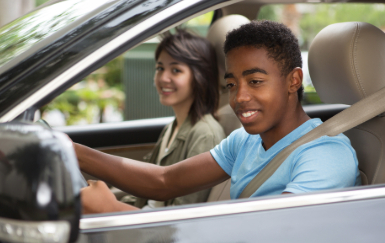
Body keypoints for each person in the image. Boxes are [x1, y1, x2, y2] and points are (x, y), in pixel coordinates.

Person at [76, 20, 361, 214]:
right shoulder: (244, 141)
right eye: (232, 84)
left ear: (293, 80)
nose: (239, 97)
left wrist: (115, 211)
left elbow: (267, 232)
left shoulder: (325, 155)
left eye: (256, 81)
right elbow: (164, 181)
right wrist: (72, 151)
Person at [88, 29, 226, 211]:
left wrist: (109, 207)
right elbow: (144, 189)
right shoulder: (172, 127)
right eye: (160, 68)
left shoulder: (205, 134)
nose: (163, 78)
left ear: (200, 77)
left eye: (176, 70)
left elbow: (182, 219)